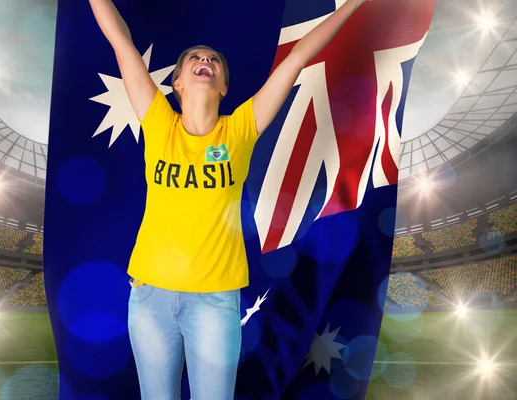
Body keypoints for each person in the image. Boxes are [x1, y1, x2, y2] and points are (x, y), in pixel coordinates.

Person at [89, 0, 371, 398]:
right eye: (193, 59)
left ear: (223, 86)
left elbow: (301, 55)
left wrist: (353, 5)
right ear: (177, 84)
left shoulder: (240, 129)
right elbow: (120, 40)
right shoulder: (157, 123)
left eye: (214, 60)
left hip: (214, 305)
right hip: (149, 300)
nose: (205, 59)